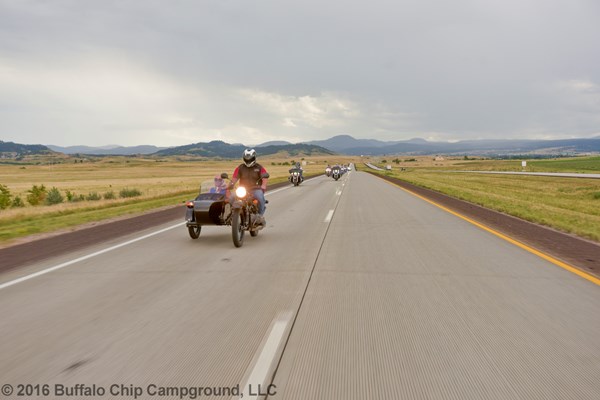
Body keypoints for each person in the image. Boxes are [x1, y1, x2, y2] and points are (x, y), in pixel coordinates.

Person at [230, 149, 268, 224]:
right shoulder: (240, 167)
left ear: (254, 158)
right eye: (246, 159)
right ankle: (233, 215)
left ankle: (259, 216)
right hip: (243, 189)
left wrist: (263, 185)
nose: (248, 160)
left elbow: (265, 177)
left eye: (250, 159)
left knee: (260, 198)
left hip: (255, 189)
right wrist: (230, 185)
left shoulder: (259, 167)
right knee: (231, 197)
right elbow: (234, 178)